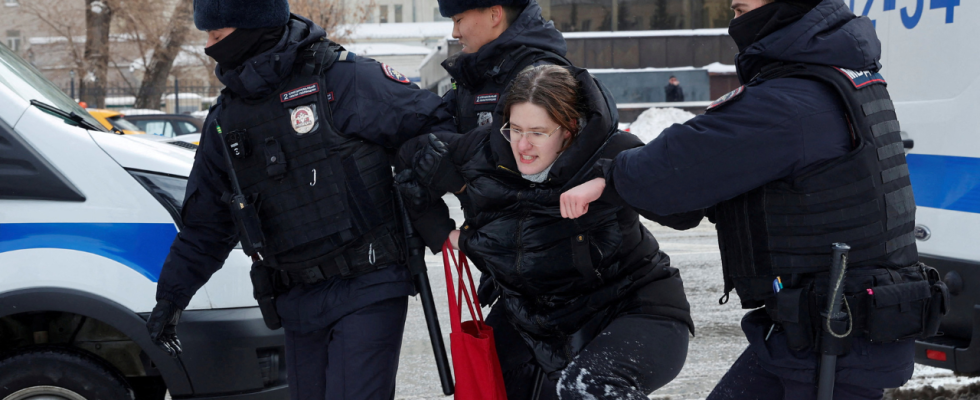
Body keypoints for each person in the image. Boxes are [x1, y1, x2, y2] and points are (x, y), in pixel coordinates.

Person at [561, 0, 947, 399]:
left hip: (834, 344)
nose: (735, 15)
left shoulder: (795, 99)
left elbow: (682, 164)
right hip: (813, 335)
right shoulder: (836, 75)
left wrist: (609, 176)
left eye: (742, 8)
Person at [143, 0, 455, 398]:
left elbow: (438, 126)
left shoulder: (342, 79)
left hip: (368, 282)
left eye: (217, 36)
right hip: (296, 298)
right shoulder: (226, 119)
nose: (209, 46)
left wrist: (421, 173)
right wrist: (171, 297)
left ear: (250, 27)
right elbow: (207, 223)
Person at [398, 65, 696, 400]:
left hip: (635, 310)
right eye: (515, 129)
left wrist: (609, 182)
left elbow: (685, 211)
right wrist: (441, 230)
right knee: (487, 388)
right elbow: (409, 155)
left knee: (588, 387)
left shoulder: (611, 151)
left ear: (569, 129)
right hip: (538, 323)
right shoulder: (485, 151)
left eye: (538, 132)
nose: (522, 145)